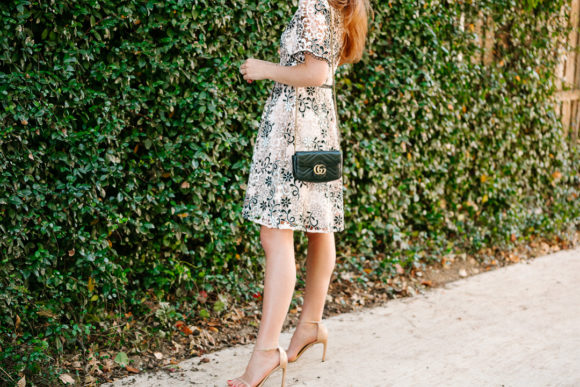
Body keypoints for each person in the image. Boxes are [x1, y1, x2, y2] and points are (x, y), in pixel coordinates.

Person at [232, 0, 370, 386]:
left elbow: (315, 71)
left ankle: (265, 353)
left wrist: (263, 69)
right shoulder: (336, 8)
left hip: (293, 133)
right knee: (318, 227)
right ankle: (309, 325)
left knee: (275, 235)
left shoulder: (313, 7)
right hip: (317, 130)